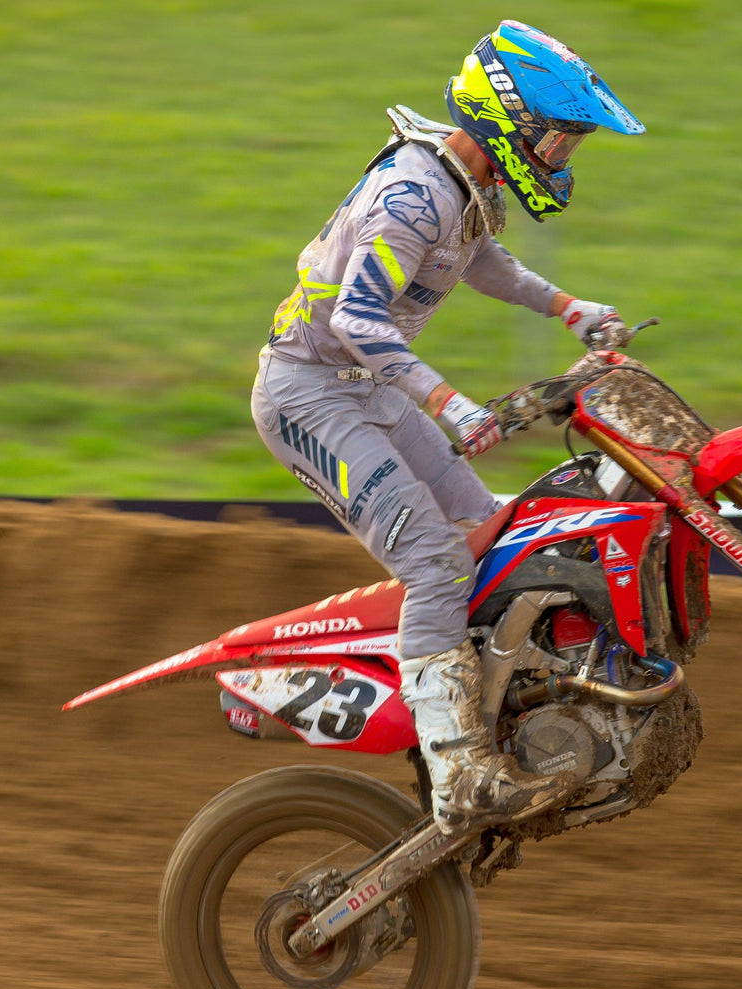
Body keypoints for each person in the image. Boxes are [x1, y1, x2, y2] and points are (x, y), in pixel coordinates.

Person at [251, 20, 645, 836]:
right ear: (510, 123)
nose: (562, 156)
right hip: (308, 395)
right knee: (435, 564)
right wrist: (448, 402)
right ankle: (458, 771)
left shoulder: (462, 184)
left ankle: (500, 706)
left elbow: (481, 260)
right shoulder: (415, 196)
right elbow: (358, 317)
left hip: (364, 387)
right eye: (558, 139)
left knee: (489, 529)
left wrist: (567, 307)